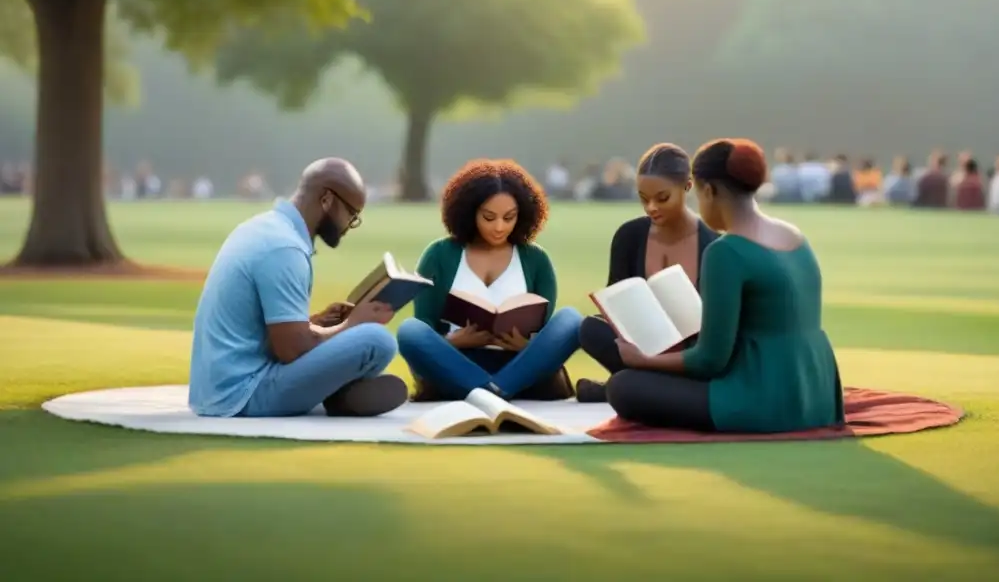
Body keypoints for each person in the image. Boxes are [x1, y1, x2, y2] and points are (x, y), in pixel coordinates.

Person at [600, 138, 844, 434]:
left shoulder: (725, 252)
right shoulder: (794, 235)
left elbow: (710, 360)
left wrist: (644, 360)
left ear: (709, 190)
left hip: (762, 398)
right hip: (816, 394)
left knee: (623, 387)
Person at [188, 158, 407, 418]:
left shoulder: (266, 228)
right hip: (243, 393)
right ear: (327, 200)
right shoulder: (285, 248)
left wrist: (316, 324)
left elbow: (273, 334)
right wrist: (352, 324)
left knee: (360, 337)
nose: (350, 226)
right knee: (377, 341)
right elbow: (291, 350)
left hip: (214, 390)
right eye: (352, 214)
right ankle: (338, 395)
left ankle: (338, 394)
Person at [396, 159, 582, 401]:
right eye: (489, 217)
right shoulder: (439, 255)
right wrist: (453, 341)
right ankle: (492, 391)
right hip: (456, 364)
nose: (499, 227)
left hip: (521, 365)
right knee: (409, 331)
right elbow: (424, 323)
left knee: (572, 319)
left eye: (509, 217)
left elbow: (547, 332)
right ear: (469, 212)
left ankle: (493, 392)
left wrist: (526, 346)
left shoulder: (536, 259)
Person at [577, 143, 719, 403]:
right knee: (589, 329)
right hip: (641, 342)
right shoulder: (629, 236)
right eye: (644, 199)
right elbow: (616, 300)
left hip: (693, 351)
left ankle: (627, 385)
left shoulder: (713, 244)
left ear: (687, 187)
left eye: (662, 198)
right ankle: (640, 383)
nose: (651, 207)